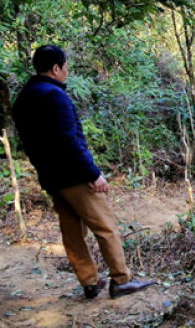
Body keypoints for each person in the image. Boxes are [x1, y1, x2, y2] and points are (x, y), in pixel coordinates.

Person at [12, 45, 153, 299]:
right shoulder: (55, 96)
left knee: (71, 230)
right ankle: (121, 280)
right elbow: (68, 142)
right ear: (56, 68)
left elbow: (31, 143)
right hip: (74, 175)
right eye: (65, 67)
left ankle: (89, 282)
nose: (67, 72)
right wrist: (93, 173)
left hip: (50, 176)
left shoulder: (23, 98)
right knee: (106, 226)